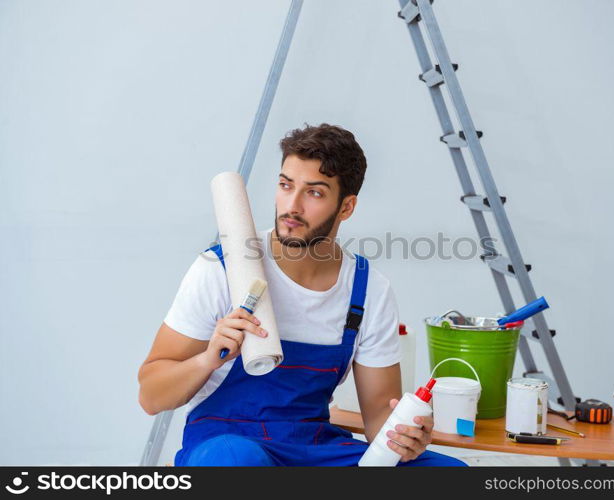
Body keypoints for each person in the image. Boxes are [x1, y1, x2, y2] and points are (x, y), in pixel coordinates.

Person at [138, 123, 466, 466]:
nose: (291, 206)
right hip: (227, 444)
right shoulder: (220, 270)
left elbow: (379, 426)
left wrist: (406, 437)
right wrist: (208, 358)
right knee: (233, 461)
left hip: (314, 448)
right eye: (285, 185)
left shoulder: (368, 290)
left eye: (315, 192)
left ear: (346, 207)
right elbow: (150, 396)